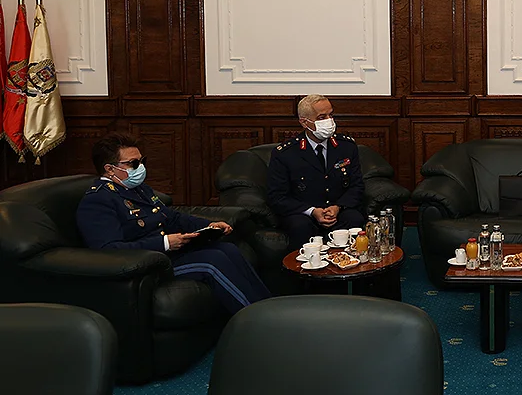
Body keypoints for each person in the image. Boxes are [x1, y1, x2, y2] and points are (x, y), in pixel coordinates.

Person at [77, 132, 270, 314]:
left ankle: (270, 307)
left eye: (142, 161)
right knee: (212, 262)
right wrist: (165, 243)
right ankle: (257, 318)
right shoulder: (98, 200)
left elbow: (172, 218)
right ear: (110, 169)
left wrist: (209, 225)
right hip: (145, 266)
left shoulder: (139, 189)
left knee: (227, 249)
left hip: (166, 257)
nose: (141, 167)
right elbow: (108, 250)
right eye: (133, 164)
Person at [267, 94, 366, 248]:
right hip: (303, 213)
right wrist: (312, 211)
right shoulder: (285, 154)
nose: (329, 121)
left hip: (338, 210)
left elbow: (357, 185)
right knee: (299, 226)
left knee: (354, 218)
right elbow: (277, 197)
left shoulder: (346, 146)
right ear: (304, 122)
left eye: (330, 115)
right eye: (321, 117)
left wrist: (338, 207)